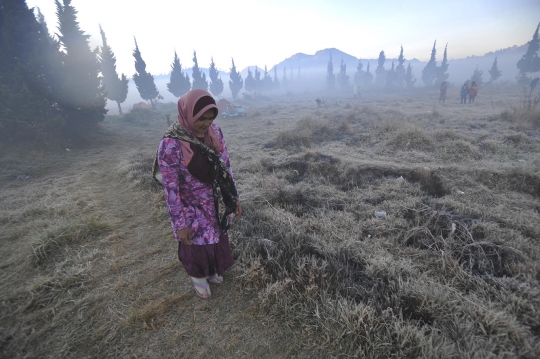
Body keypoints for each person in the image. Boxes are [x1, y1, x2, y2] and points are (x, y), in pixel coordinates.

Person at [156, 89, 242, 299]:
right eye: (201, 118)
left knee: (215, 237)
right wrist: (180, 223)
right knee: (195, 243)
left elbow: (226, 167)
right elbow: (171, 188)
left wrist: (234, 198)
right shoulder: (171, 144)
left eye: (211, 118)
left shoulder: (215, 132)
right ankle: (198, 278)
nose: (206, 123)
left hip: (214, 200)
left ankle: (211, 271)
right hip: (189, 204)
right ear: (187, 113)